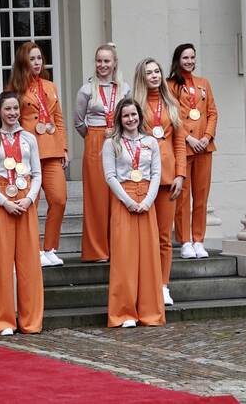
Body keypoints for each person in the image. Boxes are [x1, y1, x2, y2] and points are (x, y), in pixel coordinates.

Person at [0, 91, 44, 335]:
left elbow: (36, 173)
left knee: (29, 264)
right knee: (0, 263)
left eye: (16, 108)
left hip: (26, 203)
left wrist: (29, 199)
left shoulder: (29, 138)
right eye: (7, 109)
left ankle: (30, 320)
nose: (12, 113)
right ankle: (2, 320)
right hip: (1, 205)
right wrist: (4, 202)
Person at [102, 97, 165, 328]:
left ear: (140, 116)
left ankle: (149, 311)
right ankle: (124, 312)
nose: (131, 119)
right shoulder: (112, 143)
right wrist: (128, 201)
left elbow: (157, 173)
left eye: (134, 115)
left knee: (148, 257)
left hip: (147, 198)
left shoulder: (150, 142)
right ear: (120, 118)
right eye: (126, 115)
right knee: (125, 257)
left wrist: (148, 201)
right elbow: (110, 176)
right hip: (124, 198)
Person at [7, 42, 69, 267]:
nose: (37, 63)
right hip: (27, 153)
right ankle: (32, 250)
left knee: (59, 199)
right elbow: (10, 119)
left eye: (39, 58)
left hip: (52, 150)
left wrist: (64, 147)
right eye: (32, 59)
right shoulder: (14, 87)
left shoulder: (50, 86)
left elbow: (59, 119)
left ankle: (50, 247)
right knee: (31, 202)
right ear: (24, 61)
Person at [132, 58, 186, 306]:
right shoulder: (134, 105)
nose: (154, 76)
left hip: (167, 177)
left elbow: (179, 142)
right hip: (141, 177)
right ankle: (145, 284)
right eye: (148, 72)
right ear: (141, 77)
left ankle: (163, 285)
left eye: (157, 72)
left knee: (164, 236)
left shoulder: (171, 103)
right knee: (143, 236)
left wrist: (180, 174)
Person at [74, 43, 131, 262]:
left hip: (119, 140)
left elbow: (130, 114)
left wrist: (115, 133)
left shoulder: (124, 89)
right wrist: (95, 137)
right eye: (99, 61)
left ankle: (118, 247)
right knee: (96, 196)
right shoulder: (86, 90)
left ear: (114, 63)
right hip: (96, 140)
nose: (102, 65)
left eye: (107, 61)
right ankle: (97, 250)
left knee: (118, 194)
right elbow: (79, 122)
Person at [167, 43, 218, 260]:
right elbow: (170, 115)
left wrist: (206, 137)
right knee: (183, 196)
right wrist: (188, 138)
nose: (189, 61)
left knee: (201, 196)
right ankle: (185, 240)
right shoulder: (170, 85)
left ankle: (199, 240)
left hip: (204, 148)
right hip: (183, 147)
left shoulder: (203, 83)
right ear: (178, 60)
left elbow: (213, 112)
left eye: (192, 57)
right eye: (185, 58)